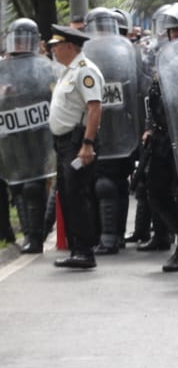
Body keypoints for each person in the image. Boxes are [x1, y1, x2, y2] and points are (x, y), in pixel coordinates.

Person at [45, 24, 105, 269]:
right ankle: (77, 248)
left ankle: (84, 251)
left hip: (77, 142)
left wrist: (87, 144)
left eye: (56, 45)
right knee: (68, 196)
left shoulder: (84, 71)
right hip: (64, 143)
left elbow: (94, 107)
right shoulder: (67, 71)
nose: (53, 50)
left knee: (77, 195)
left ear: (69, 46)